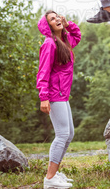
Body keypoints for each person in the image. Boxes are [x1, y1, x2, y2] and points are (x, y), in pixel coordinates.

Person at [36, 10, 81, 189]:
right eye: (52, 19)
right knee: (62, 134)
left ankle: (55, 174)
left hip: (62, 93)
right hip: (54, 94)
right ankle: (50, 179)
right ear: (48, 25)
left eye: (57, 17)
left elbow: (77, 35)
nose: (56, 20)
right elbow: (43, 71)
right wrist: (44, 97)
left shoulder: (64, 41)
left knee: (69, 134)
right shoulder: (49, 44)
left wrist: (68, 24)